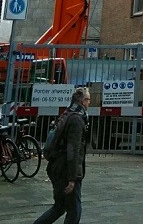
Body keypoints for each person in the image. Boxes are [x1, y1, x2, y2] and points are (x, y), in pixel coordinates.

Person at [32, 86, 90, 224]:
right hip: (65, 169)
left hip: (56, 167)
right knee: (74, 210)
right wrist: (72, 178)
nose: (89, 103)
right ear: (82, 101)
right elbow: (73, 150)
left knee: (59, 207)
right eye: (88, 100)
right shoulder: (77, 120)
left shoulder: (67, 114)